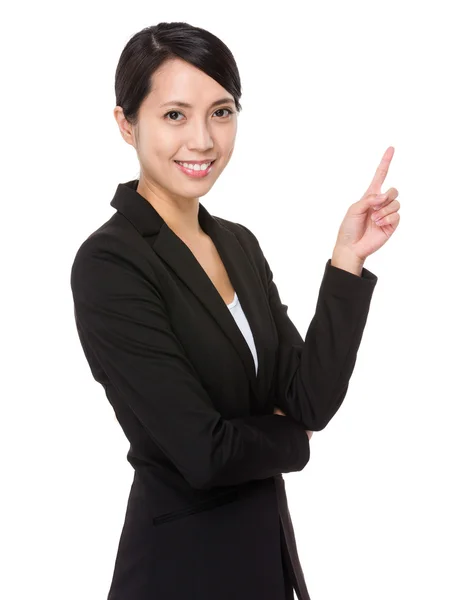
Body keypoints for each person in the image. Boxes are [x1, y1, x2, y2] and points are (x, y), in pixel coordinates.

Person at [70, 21, 400, 600]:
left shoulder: (238, 243)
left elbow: (307, 399)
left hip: (266, 566)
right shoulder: (110, 264)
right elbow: (204, 454)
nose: (202, 140)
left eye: (221, 112)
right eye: (175, 115)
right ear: (127, 124)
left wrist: (347, 260)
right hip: (181, 573)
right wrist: (292, 443)